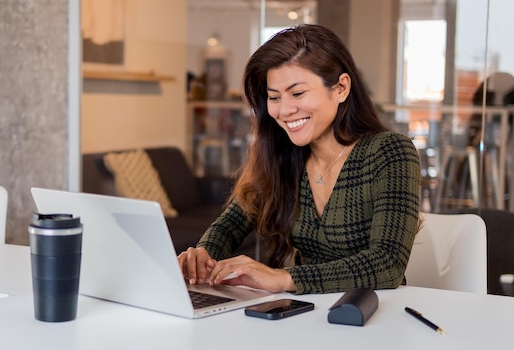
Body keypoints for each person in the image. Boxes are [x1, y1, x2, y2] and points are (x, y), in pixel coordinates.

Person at [178, 24, 421, 294]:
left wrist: (284, 278)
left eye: (298, 93)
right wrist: (202, 255)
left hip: (374, 313)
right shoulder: (283, 156)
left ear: (341, 88)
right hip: (308, 313)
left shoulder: (390, 152)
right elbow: (230, 224)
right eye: (274, 97)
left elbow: (387, 264)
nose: (285, 110)